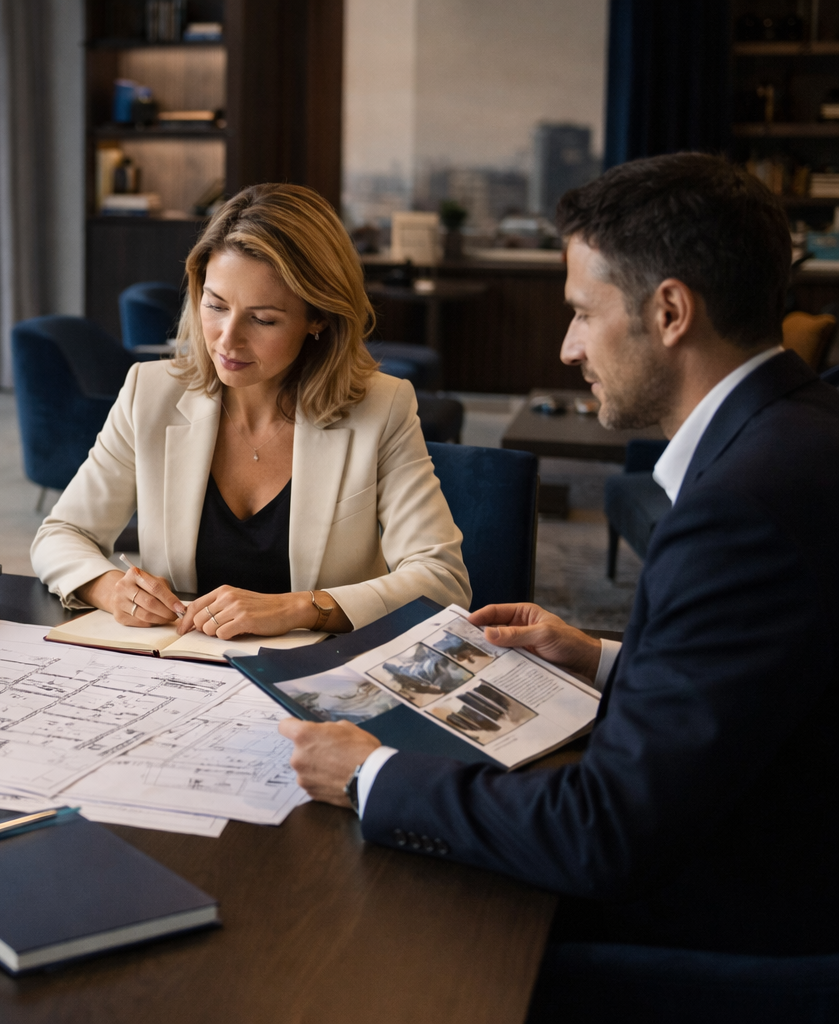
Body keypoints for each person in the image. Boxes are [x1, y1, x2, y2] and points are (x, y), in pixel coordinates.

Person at [279, 153, 839, 956]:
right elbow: (767, 685)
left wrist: (372, 776)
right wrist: (604, 660)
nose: (568, 347)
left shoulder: (739, 508)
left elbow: (605, 832)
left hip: (740, 933)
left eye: (582, 311)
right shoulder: (804, 428)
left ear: (671, 311)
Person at [31, 184, 470, 639]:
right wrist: (109, 589)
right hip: (180, 670)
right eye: (216, 306)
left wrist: (303, 608)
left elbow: (442, 580)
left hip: (318, 679)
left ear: (319, 318)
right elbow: (61, 534)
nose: (227, 340)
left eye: (263, 319)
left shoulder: (381, 408)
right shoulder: (151, 392)